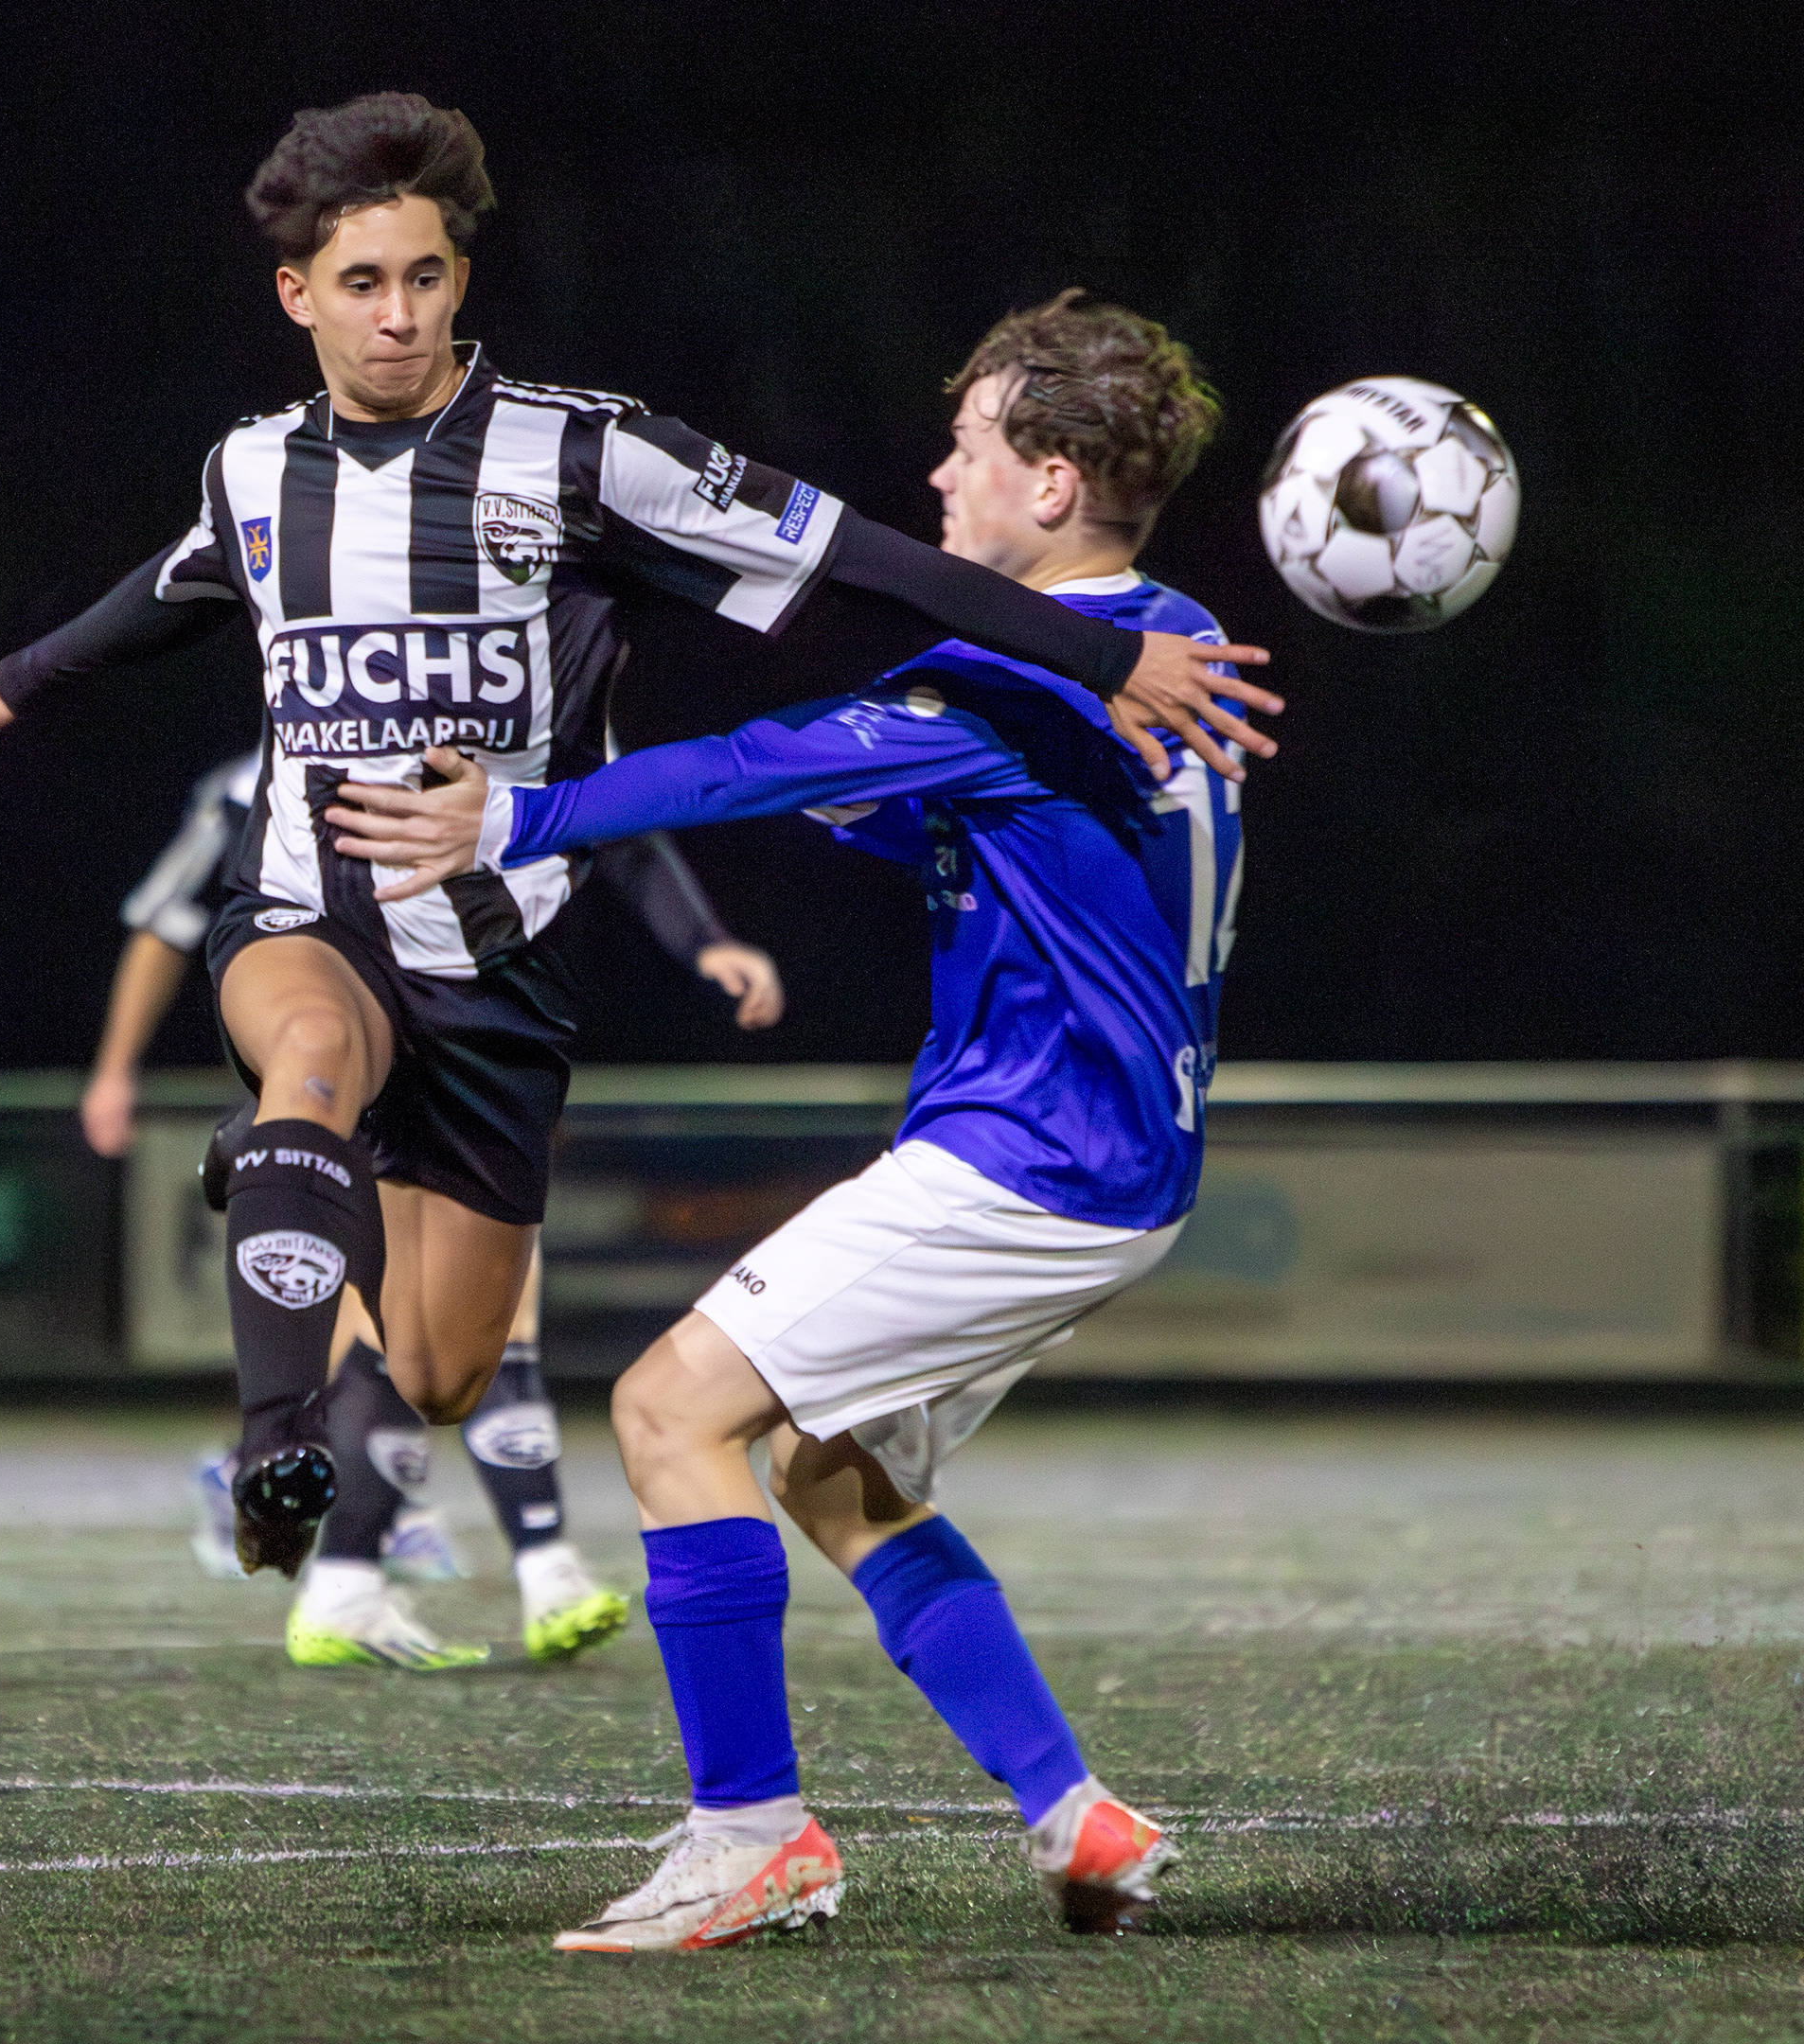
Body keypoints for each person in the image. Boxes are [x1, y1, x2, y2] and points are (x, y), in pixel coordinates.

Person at [0, 95, 1275, 1579]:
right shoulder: (254, 468)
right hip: (313, 911)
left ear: (459, 280)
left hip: (498, 960)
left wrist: (1100, 654)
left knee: (442, 1371)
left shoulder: (588, 455)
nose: (397, 314)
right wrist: (13, 683)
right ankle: (274, 1440)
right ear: (297, 297)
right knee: (312, 1053)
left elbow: (860, 558)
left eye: (423, 277)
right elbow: (178, 584)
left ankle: (280, 1159)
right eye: (361, 283)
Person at [328, 289, 1242, 1951]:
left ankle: (750, 1837)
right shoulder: (1171, 652)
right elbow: (998, 831)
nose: (940, 475)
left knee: (669, 1411)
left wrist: (518, 815)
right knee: (832, 1473)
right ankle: (1077, 1816)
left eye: (969, 447)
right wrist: (855, 788)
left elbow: (749, 765)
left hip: (1030, 1155)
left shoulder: (1016, 685)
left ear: (1052, 483)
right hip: (1122, 1162)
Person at [86, 748, 784, 1667]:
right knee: (390, 1314)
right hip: (344, 1052)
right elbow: (164, 920)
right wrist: (114, 1070)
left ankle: (362, 1567)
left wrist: (703, 940)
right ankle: (487, 1565)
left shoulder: (507, 739)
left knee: (437, 1362)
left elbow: (619, 825)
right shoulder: (256, 781)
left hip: (475, 1036)